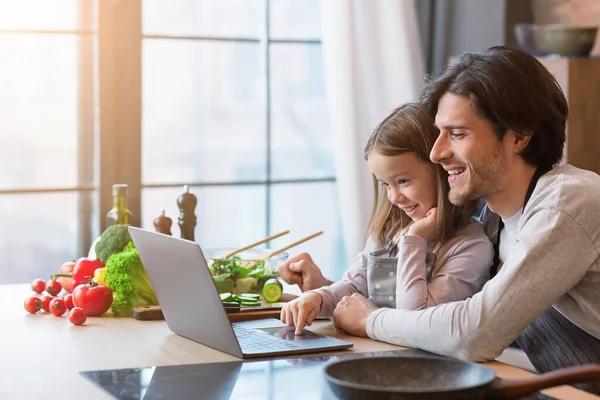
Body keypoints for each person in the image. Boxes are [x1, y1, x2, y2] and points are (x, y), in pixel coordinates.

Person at [290, 46, 600, 395]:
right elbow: (441, 320)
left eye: (457, 133)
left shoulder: (566, 202)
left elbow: (473, 333)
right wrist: (328, 292)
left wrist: (368, 321)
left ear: (519, 135)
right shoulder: (490, 215)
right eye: (439, 133)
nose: (436, 153)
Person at [280, 103, 494, 335]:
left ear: (443, 172)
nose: (394, 198)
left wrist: (416, 239)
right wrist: (317, 298)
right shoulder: (391, 230)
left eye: (403, 181)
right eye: (386, 185)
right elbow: (354, 286)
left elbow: (415, 317)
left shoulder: (470, 247)